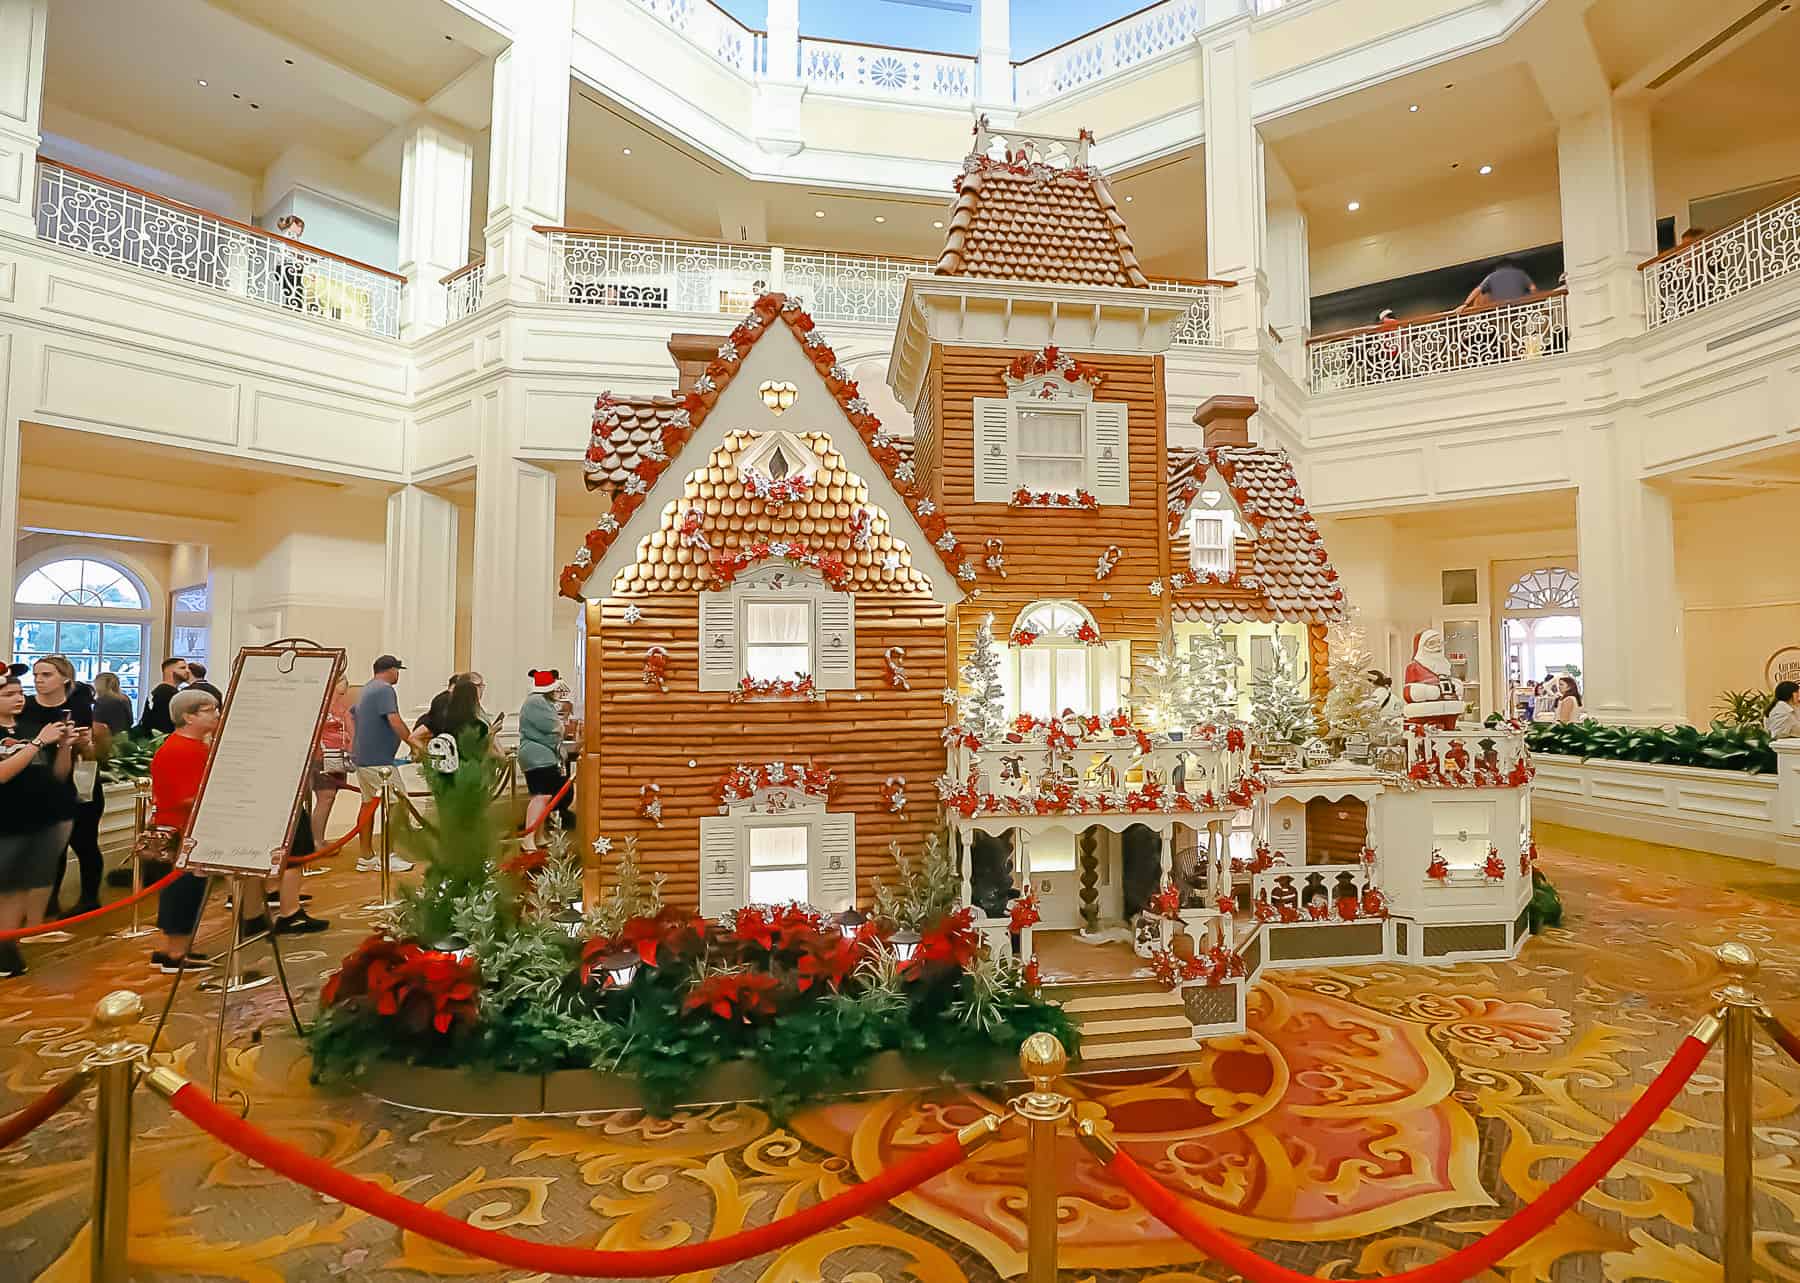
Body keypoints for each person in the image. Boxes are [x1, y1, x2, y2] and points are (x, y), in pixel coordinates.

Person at [149, 689, 236, 972]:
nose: (216, 714)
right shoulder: (178, 749)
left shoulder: (197, 746)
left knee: (188, 890)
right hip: (181, 831)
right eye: (209, 710)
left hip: (191, 829)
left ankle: (174, 947)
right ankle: (175, 953)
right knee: (183, 891)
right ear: (188, 716)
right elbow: (185, 797)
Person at [0, 668, 76, 977]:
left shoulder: (31, 726)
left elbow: (58, 775)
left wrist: (65, 746)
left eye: (20, 693)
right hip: (6, 822)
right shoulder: (32, 736)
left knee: (22, 886)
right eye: (8, 695)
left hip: (40, 818)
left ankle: (7, 946)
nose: (18, 699)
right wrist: (36, 744)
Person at [27, 656, 108, 921]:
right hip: (40, 785)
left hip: (78, 783)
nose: (39, 680)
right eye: (37, 675)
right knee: (51, 848)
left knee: (84, 843)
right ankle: (48, 900)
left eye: (46, 675)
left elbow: (92, 748)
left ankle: (89, 898)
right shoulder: (26, 707)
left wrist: (84, 743)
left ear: (64, 678)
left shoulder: (79, 706)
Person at [351, 655, 420, 872]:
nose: (398, 674)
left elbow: (352, 715)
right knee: (397, 805)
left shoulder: (367, 689)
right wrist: (414, 744)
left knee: (368, 804)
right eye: (397, 670)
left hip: (365, 758)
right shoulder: (384, 689)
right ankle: (388, 856)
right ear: (390, 670)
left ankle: (366, 856)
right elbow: (395, 720)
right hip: (378, 762)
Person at [516, 669, 567, 853]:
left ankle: (539, 835)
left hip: (541, 755)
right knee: (541, 796)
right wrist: (561, 727)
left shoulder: (539, 701)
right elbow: (554, 726)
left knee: (544, 797)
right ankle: (528, 838)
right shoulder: (536, 701)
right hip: (538, 757)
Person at [312, 675, 353, 846]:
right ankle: (315, 841)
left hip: (338, 755)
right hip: (321, 756)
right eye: (343, 679)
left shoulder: (340, 704)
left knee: (330, 797)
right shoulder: (320, 702)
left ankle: (318, 838)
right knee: (325, 796)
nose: (346, 683)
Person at [136, 656, 191, 736]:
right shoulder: (166, 693)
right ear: (169, 671)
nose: (187, 671)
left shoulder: (161, 691)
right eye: (182, 668)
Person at [1459, 259, 1536, 311]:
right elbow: (1533, 289)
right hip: (1519, 309)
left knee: (1483, 295)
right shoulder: (1520, 273)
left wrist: (1465, 304)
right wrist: (1535, 303)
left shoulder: (1492, 275)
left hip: (1500, 310)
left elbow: (1477, 290)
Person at [275, 214, 308, 312]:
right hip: (289, 267)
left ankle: (291, 307)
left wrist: (304, 258)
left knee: (291, 291)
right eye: (301, 227)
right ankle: (295, 309)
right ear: (294, 225)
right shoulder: (291, 235)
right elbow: (294, 249)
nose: (301, 231)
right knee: (296, 291)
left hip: (282, 267)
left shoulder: (287, 234)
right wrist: (306, 258)